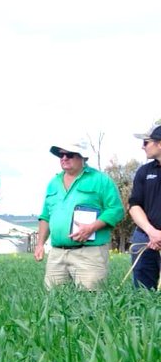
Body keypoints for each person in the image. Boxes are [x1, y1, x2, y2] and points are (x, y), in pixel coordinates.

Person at [34, 141, 123, 290]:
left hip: (89, 253)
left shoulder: (100, 180)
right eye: (60, 155)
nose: (64, 158)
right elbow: (45, 216)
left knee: (91, 301)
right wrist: (40, 244)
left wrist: (92, 227)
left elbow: (116, 209)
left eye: (69, 154)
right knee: (53, 301)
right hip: (57, 254)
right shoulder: (53, 183)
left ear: (83, 157)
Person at [127, 124, 161, 290]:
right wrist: (152, 232)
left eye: (146, 142)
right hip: (145, 238)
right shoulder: (144, 171)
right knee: (143, 294)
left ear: (159, 143)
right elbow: (134, 204)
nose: (143, 146)